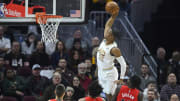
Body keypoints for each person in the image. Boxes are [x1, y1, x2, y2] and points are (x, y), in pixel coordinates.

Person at [96, 4, 126, 101]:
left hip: (110, 73)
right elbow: (108, 25)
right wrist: (113, 16)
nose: (106, 32)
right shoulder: (105, 39)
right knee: (103, 93)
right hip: (101, 71)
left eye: (109, 32)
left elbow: (123, 64)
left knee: (109, 95)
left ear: (112, 36)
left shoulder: (114, 49)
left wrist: (121, 78)